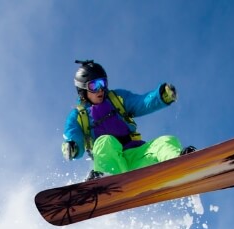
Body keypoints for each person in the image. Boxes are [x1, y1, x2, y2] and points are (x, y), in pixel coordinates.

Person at [62, 60, 193, 179]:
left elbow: (140, 103)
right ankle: (105, 181)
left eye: (103, 83)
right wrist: (72, 147)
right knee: (105, 142)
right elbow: (73, 135)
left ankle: (184, 163)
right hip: (112, 163)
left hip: (137, 156)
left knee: (165, 141)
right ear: (83, 90)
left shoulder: (116, 98)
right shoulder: (79, 115)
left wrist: (161, 96)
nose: (100, 89)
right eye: (94, 86)